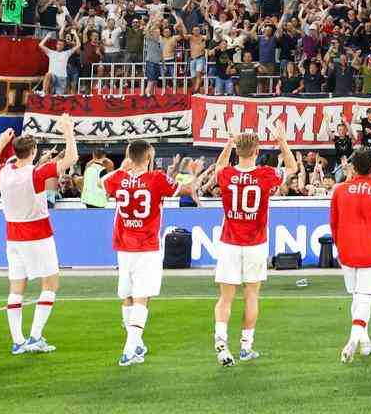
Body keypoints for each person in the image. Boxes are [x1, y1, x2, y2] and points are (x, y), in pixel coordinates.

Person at [103, 140, 206, 366]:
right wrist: (195, 174)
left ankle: (136, 344)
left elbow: (104, 184)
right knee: (142, 297)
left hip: (123, 246)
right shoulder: (157, 179)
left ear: (129, 157)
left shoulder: (117, 178)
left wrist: (124, 168)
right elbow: (188, 189)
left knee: (127, 296)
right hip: (147, 246)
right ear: (149, 157)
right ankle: (129, 349)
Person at [0, 115, 77, 355]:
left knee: (16, 288)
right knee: (50, 284)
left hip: (13, 236)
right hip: (37, 233)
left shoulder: (4, 171)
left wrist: (2, 141)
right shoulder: (35, 173)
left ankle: (18, 341)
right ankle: (35, 336)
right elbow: (72, 158)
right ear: (33, 151)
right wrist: (68, 131)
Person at [213, 120, 301, 366]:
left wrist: (229, 141)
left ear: (237, 149)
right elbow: (293, 167)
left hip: (229, 241)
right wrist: (282, 141)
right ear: (257, 151)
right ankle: (245, 346)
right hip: (255, 243)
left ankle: (221, 341)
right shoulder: (265, 174)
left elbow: (220, 166)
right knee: (251, 295)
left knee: (225, 298)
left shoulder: (228, 174)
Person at [329, 147, 371, 364]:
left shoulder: (339, 190)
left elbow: (334, 224)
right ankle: (354, 339)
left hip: (346, 250)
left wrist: (339, 248)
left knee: (357, 296)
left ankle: (365, 343)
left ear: (353, 167)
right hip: (369, 250)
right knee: (364, 297)